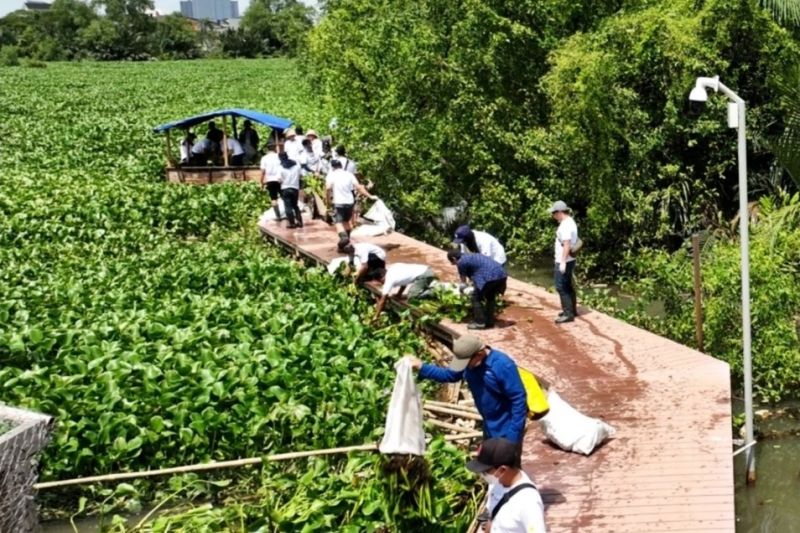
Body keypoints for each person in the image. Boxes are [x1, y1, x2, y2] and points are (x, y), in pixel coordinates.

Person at [408, 335, 528, 445]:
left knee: (505, 466)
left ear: (480, 354)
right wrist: (421, 367)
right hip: (488, 425)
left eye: (466, 363)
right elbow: (449, 375)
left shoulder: (502, 365)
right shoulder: (464, 359)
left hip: (505, 426)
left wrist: (513, 437)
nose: (462, 366)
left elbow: (519, 399)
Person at [467, 438, 547, 533]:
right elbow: (491, 513)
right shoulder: (495, 483)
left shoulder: (528, 502)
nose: (482, 474)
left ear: (502, 470)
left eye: (485, 471)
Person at [447, 249, 507, 330]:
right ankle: (489, 321)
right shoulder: (472, 255)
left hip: (489, 277)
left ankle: (479, 323)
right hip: (501, 274)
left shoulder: (461, 262)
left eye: (453, 263)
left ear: (454, 259)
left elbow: (463, 283)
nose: (454, 264)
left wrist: (462, 290)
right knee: (490, 296)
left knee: (475, 298)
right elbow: (476, 271)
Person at [325, 159, 376, 249]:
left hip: (339, 203)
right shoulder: (349, 174)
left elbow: (328, 188)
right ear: (341, 166)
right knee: (346, 222)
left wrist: (328, 201)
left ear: (332, 167)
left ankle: (344, 239)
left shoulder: (331, 175)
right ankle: (346, 244)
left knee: (338, 223)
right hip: (349, 202)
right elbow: (359, 187)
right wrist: (370, 196)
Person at [549, 200, 578, 324]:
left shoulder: (565, 226)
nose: (553, 216)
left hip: (564, 259)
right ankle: (572, 310)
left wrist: (562, 262)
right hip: (571, 259)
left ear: (560, 212)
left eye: (554, 213)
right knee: (568, 285)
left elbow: (566, 244)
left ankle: (568, 313)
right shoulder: (570, 221)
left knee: (561, 287)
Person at [279, 152, 303, 228]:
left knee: (288, 207)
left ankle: (292, 223)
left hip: (285, 188)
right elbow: (300, 175)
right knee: (295, 206)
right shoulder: (296, 165)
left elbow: (279, 179)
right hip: (295, 188)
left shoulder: (280, 167)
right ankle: (299, 222)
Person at [260, 142, 282, 220]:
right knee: (284, 197)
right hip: (280, 179)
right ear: (275, 148)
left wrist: (261, 182)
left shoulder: (264, 158)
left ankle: (278, 216)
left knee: (273, 199)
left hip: (270, 180)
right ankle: (289, 213)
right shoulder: (278, 156)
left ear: (267, 149)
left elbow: (263, 172)